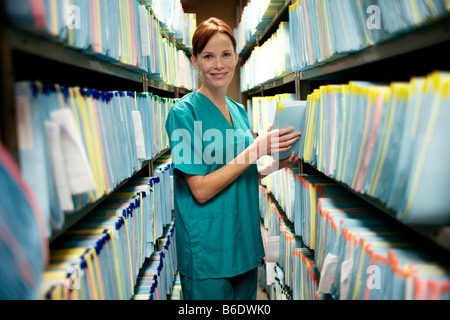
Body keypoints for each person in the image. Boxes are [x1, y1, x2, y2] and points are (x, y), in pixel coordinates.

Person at [165, 17, 301, 300]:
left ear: (236, 57)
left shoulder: (238, 110)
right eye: (208, 56)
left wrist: (274, 164)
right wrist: (256, 149)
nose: (219, 64)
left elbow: (235, 171)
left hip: (244, 244)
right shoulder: (182, 114)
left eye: (226, 54)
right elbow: (200, 189)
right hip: (209, 251)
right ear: (195, 61)